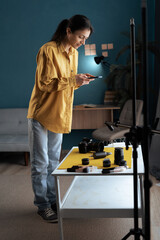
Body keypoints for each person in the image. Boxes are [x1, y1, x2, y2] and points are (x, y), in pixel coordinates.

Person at [27, 14, 94, 222]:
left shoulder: (73, 54)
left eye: (85, 39)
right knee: (40, 163)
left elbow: (65, 84)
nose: (82, 43)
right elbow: (45, 84)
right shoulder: (48, 50)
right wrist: (72, 79)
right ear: (68, 31)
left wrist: (78, 81)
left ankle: (53, 200)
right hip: (41, 113)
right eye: (81, 37)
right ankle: (43, 205)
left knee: (54, 163)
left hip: (59, 112)